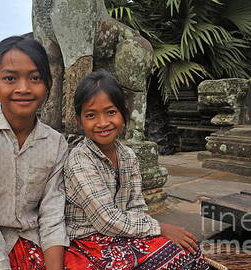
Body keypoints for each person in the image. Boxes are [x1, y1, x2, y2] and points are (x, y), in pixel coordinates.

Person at [63, 69, 210, 269]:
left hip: (124, 233)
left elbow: (137, 207)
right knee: (170, 258)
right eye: (91, 115)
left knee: (190, 252)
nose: (103, 122)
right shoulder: (79, 160)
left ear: (124, 114)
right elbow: (106, 220)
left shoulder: (127, 156)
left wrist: (153, 231)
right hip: (88, 239)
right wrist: (159, 228)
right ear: (80, 121)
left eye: (111, 112)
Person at [0, 36, 69, 270]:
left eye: (35, 78)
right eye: (10, 78)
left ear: (48, 85)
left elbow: (52, 213)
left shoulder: (56, 143)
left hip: (33, 240)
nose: (23, 88)